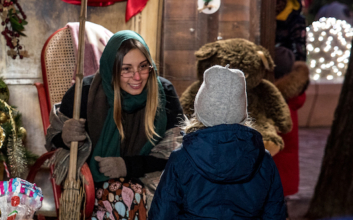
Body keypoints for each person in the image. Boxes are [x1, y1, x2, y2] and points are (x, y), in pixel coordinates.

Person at [45, 30, 183, 220]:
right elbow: (52, 139)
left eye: (143, 66)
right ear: (112, 69)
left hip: (150, 179)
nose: (137, 77)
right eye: (126, 69)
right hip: (91, 185)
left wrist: (128, 166)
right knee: (119, 194)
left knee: (127, 194)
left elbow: (176, 154)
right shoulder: (83, 94)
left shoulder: (164, 93)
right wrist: (65, 136)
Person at [148, 65, 287, 220]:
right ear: (242, 111)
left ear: (201, 109)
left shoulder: (181, 158)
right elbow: (275, 213)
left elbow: (162, 214)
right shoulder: (263, 159)